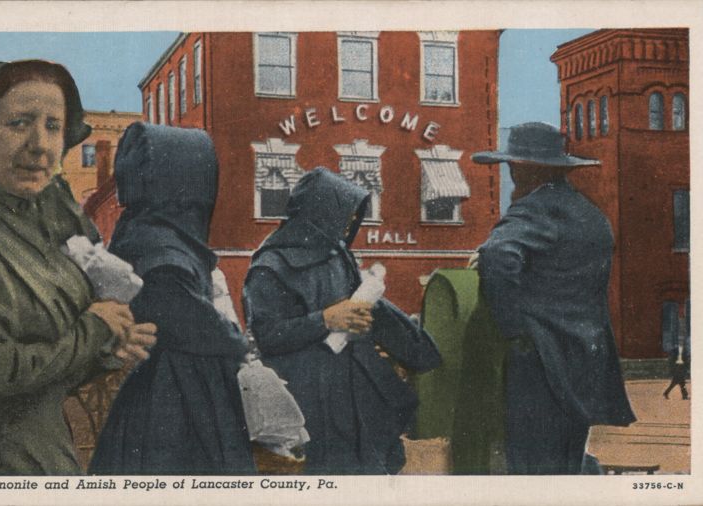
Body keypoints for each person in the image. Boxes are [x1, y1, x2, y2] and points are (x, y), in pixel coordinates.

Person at [0, 60, 157, 475]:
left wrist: (111, 345)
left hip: (51, 459)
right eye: (20, 123)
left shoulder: (49, 220)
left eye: (53, 127)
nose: (40, 145)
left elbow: (57, 347)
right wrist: (96, 330)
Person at [243, 167, 442, 475]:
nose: (351, 222)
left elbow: (357, 306)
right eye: (345, 213)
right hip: (308, 396)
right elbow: (268, 336)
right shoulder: (270, 267)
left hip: (355, 390)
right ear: (320, 213)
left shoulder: (337, 253)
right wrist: (324, 319)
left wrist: (360, 320)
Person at [88, 123, 256, 475]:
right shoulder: (159, 242)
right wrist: (236, 341)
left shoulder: (147, 230)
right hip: (178, 397)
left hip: (176, 387)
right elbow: (189, 317)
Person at [470, 122, 636, 475]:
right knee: (566, 467)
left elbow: (497, 257)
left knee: (530, 471)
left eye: (512, 167)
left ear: (521, 169)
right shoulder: (591, 216)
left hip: (539, 363)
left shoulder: (534, 209)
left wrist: (512, 330)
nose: (512, 176)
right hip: (583, 363)